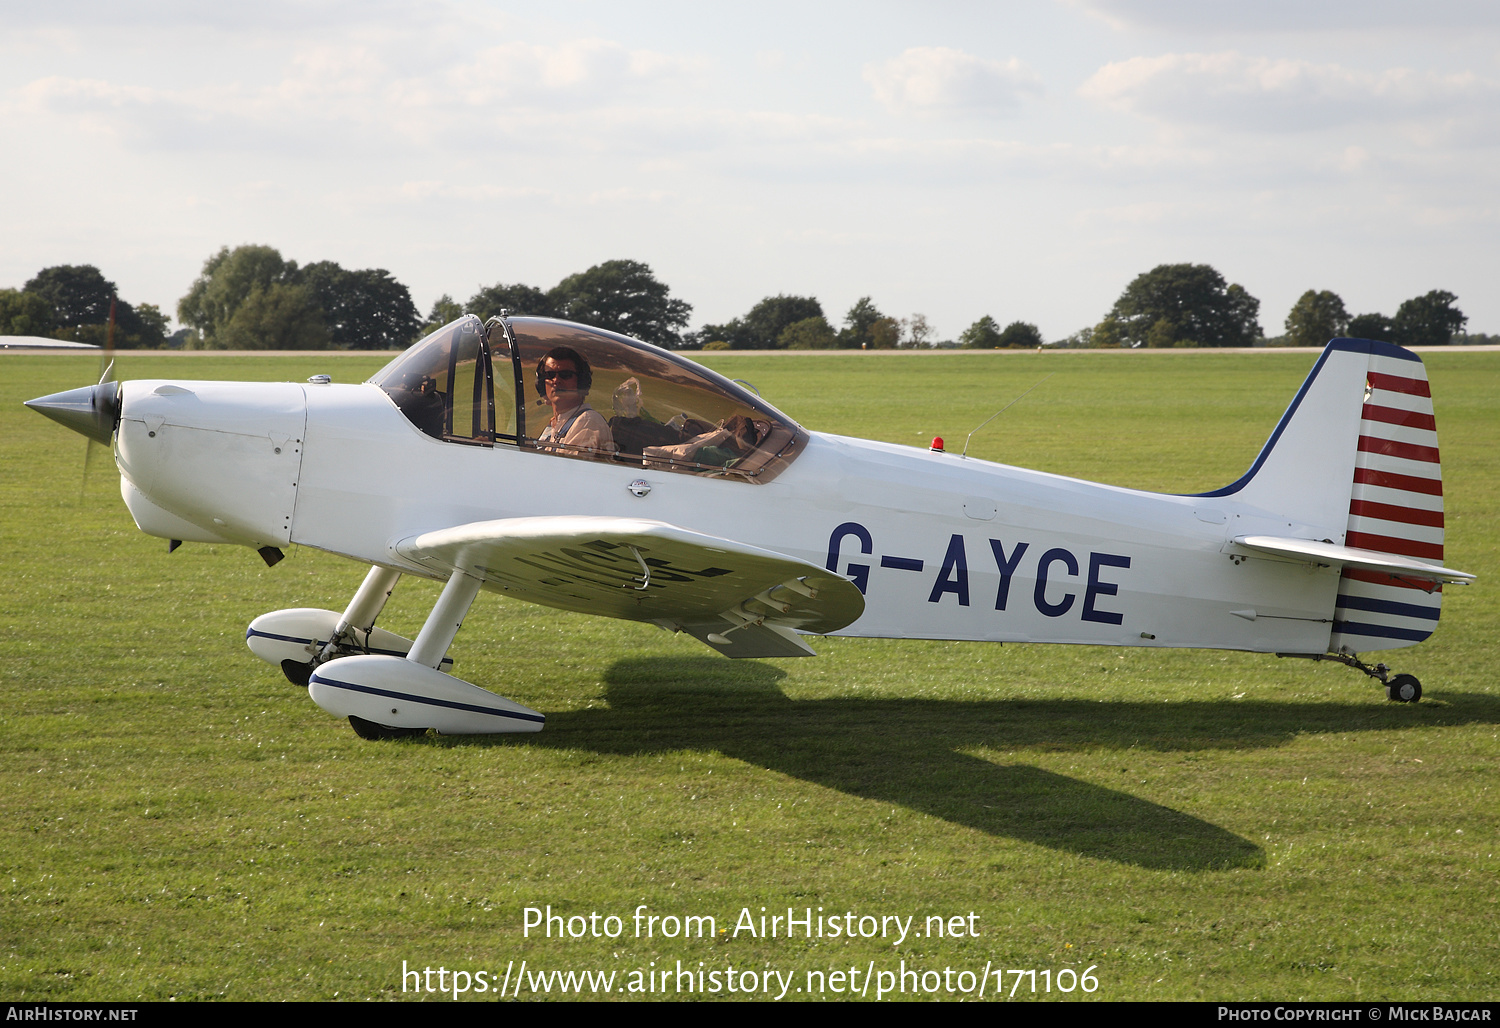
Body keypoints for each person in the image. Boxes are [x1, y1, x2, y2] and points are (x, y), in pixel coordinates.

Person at [534, 346, 614, 455]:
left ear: (581, 382)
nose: (556, 380)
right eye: (550, 375)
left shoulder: (587, 422)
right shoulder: (555, 424)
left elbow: (567, 469)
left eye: (565, 375)